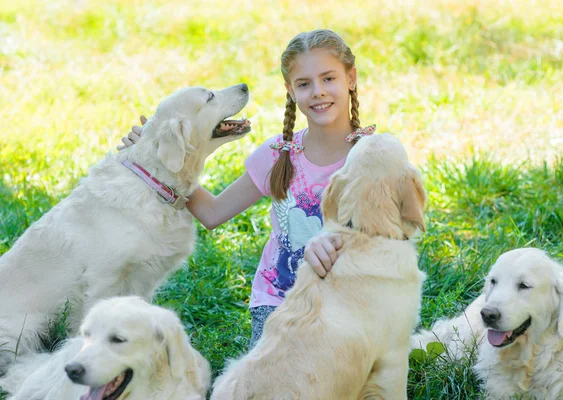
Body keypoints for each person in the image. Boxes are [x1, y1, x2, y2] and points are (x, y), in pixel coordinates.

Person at [119, 29, 375, 347]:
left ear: (351, 78)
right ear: (290, 90)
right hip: (279, 303)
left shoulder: (374, 156)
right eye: (304, 84)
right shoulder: (277, 154)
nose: (318, 92)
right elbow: (213, 213)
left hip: (348, 303)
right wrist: (157, 159)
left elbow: (396, 237)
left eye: (328, 79)